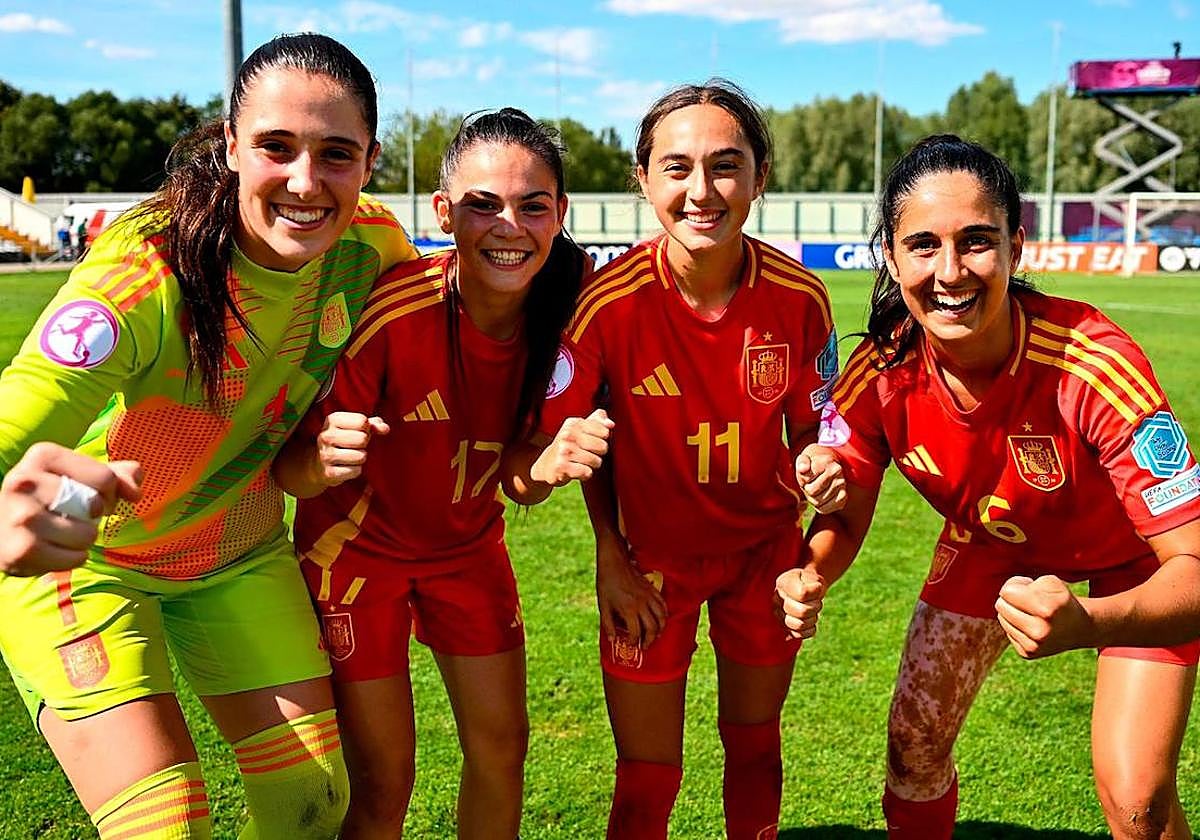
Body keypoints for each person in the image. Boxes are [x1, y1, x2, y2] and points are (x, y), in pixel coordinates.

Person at [0, 33, 417, 839]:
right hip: (88, 561)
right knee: (167, 825)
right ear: (230, 146)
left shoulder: (373, 247)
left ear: (370, 161)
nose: (306, 181)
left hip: (236, 556)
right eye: (275, 147)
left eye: (336, 153)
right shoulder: (149, 265)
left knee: (309, 809)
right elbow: (20, 412)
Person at [776, 134, 1200, 840]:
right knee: (913, 748)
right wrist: (812, 571)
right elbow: (844, 509)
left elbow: (1194, 567)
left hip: (1135, 565)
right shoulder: (880, 371)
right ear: (891, 258)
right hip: (989, 546)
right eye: (923, 245)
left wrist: (1091, 623)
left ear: (1016, 248)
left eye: (976, 241)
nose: (950, 272)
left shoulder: (1092, 363)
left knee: (1137, 801)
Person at [507, 79, 844, 840]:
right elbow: (546, 458)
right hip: (648, 566)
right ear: (643, 179)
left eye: (726, 166)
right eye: (677, 167)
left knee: (755, 747)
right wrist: (608, 552)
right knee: (647, 774)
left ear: (759, 175)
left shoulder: (801, 299)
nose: (702, 191)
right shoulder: (607, 303)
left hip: (764, 560)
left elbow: (816, 433)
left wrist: (821, 464)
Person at [272, 108, 586, 839]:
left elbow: (516, 477)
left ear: (560, 212)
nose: (510, 227)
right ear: (444, 213)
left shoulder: (570, 304)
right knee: (385, 782)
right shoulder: (394, 313)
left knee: (502, 753)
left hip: (468, 550)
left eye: (533, 205)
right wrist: (321, 459)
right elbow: (292, 473)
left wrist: (544, 467)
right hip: (356, 557)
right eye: (483, 204)